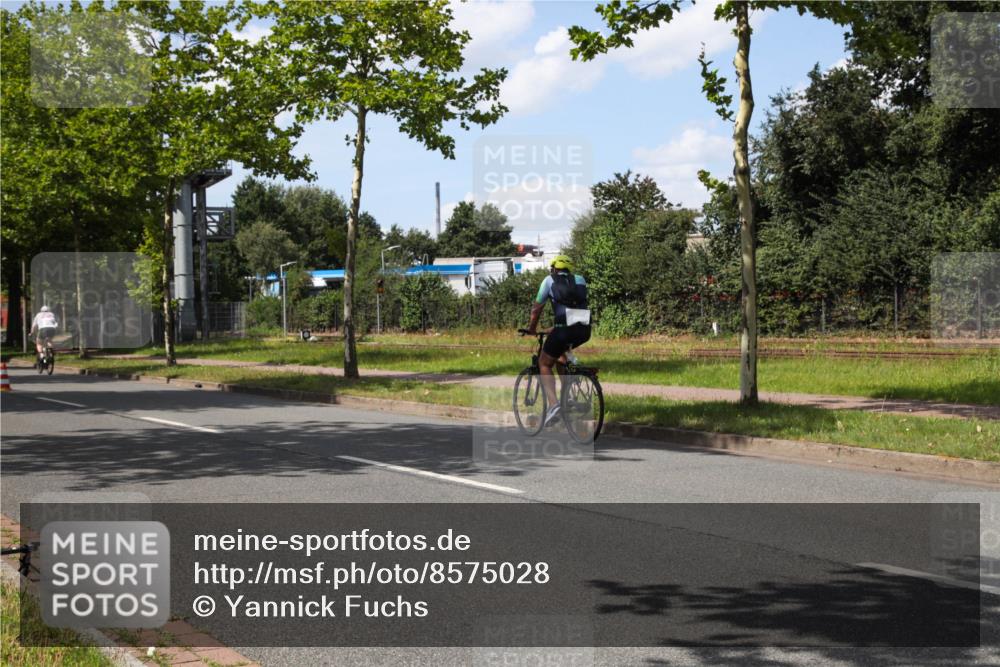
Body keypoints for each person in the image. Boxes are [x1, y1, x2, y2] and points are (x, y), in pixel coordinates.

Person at [523, 255, 591, 426]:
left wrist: (532, 328)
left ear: (554, 268)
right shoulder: (581, 280)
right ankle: (568, 397)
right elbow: (574, 309)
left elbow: (536, 309)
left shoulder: (548, 280)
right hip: (584, 330)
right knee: (560, 355)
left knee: (544, 364)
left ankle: (554, 406)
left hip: (563, 331)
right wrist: (555, 327)